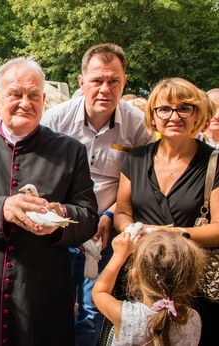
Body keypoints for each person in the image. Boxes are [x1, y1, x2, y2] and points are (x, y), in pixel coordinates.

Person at [0, 57, 99, 345]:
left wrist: (59, 216)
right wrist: (3, 208)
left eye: (33, 95)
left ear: (44, 100)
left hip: (42, 285)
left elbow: (87, 216)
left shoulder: (70, 150)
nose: (25, 102)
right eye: (15, 94)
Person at [42, 43, 155, 346]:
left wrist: (109, 215)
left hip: (107, 233)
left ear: (124, 82)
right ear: (82, 82)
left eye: (113, 80)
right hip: (60, 229)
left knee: (93, 313)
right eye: (97, 80)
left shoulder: (139, 128)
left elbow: (142, 184)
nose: (105, 89)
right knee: (53, 307)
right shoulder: (54, 121)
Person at [114, 77, 217, 345]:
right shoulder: (135, 159)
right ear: (153, 116)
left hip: (192, 286)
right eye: (165, 109)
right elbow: (122, 211)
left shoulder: (214, 163)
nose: (174, 116)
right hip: (140, 282)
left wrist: (171, 234)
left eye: (185, 108)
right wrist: (131, 230)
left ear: (197, 115)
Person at [93, 231, 204, 345]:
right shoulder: (192, 319)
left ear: (135, 276)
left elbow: (100, 292)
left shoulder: (127, 316)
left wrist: (119, 255)